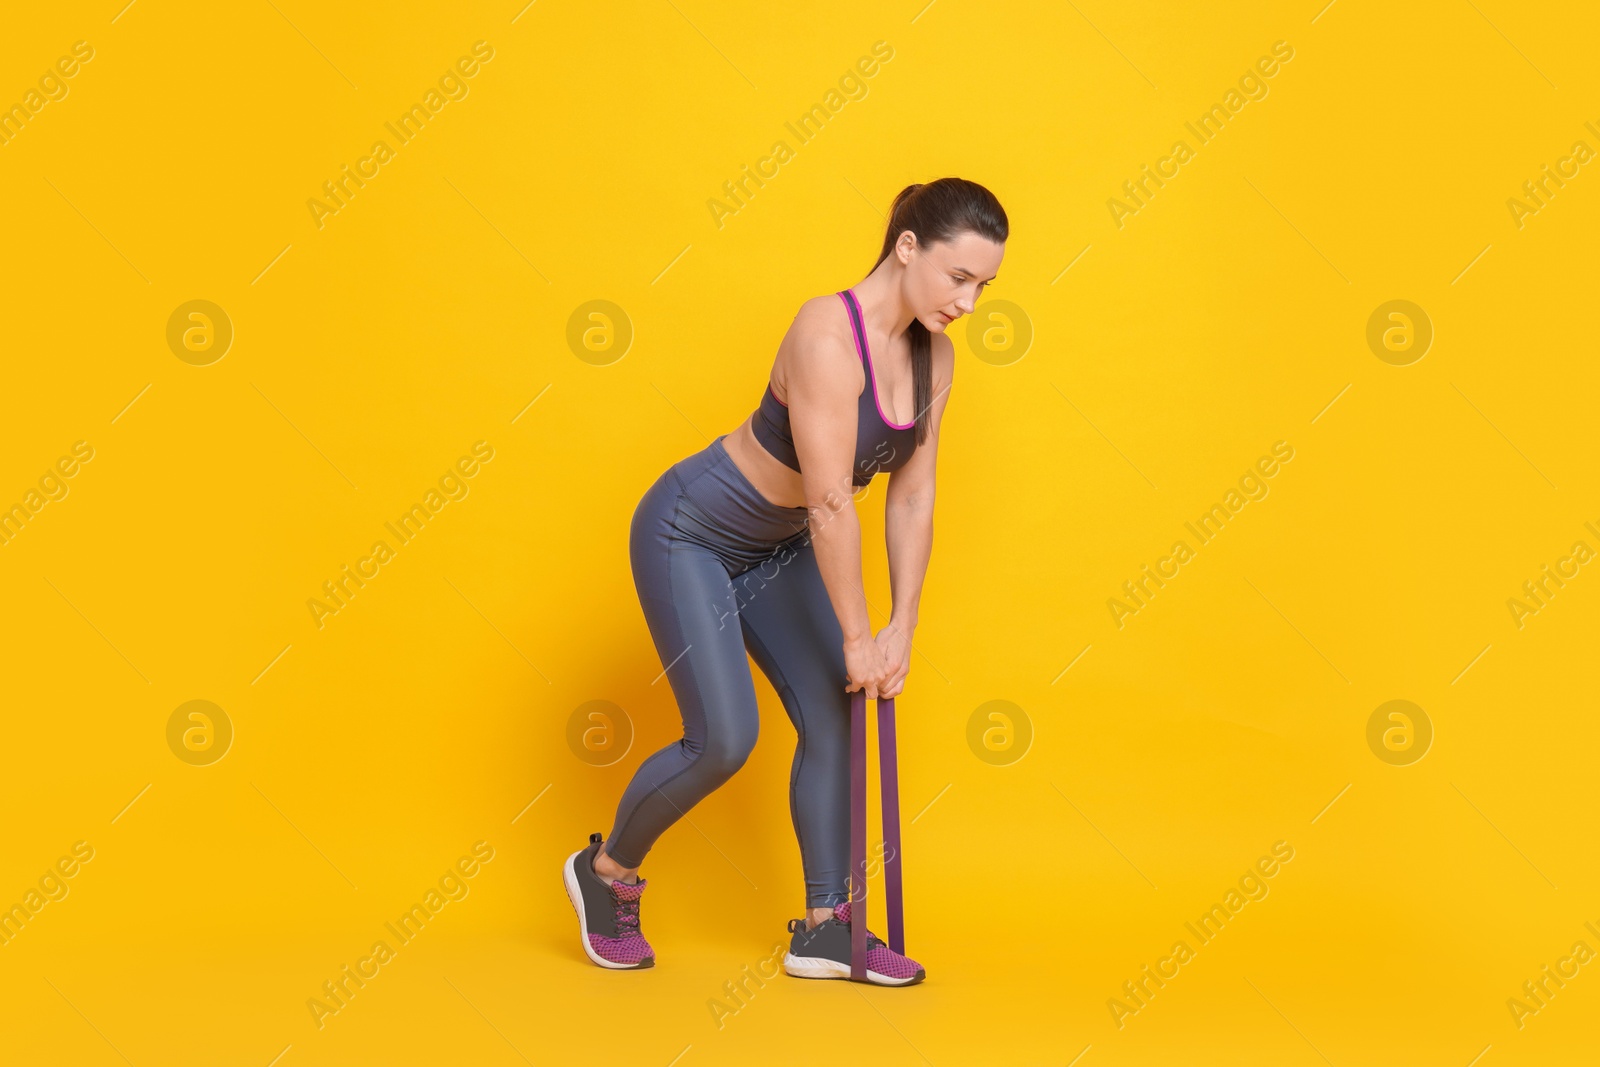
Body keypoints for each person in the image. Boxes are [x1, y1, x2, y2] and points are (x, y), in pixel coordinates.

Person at [562, 178, 1007, 985]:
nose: (970, 303)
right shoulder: (824, 336)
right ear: (908, 248)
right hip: (692, 531)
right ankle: (606, 875)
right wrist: (858, 634)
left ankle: (825, 926)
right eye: (959, 277)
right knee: (725, 741)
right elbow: (834, 501)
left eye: (984, 286)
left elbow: (913, 494)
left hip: (780, 545)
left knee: (837, 715)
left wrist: (902, 621)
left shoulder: (934, 356)